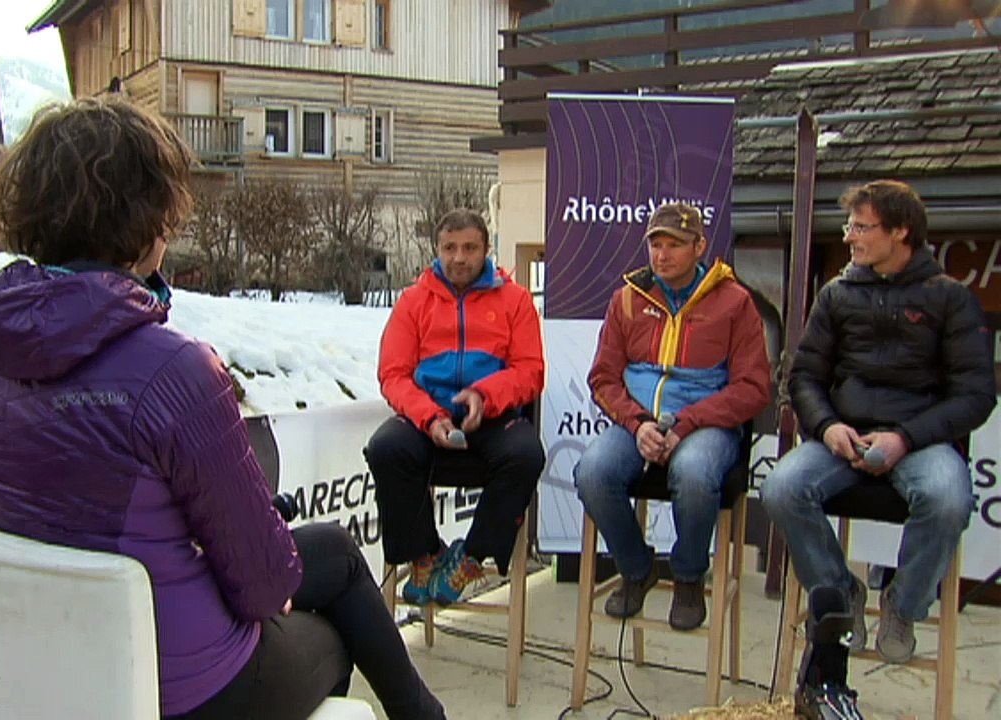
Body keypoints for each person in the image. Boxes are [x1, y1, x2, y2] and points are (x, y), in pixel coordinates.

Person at [0, 97, 444, 720]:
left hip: (41, 673)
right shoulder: (174, 372)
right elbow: (265, 586)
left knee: (331, 552)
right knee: (333, 628)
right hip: (180, 688)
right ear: (150, 220)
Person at [763, 180, 994, 714]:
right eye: (850, 227)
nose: (850, 237)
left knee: (948, 499)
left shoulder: (950, 299)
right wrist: (825, 427)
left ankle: (904, 605)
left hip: (920, 439)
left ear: (900, 232)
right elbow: (802, 378)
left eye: (861, 227)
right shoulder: (838, 294)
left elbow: (977, 395)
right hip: (843, 434)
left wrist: (905, 437)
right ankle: (841, 594)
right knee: (781, 487)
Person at [574, 202, 771, 630]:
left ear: (700, 246)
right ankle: (637, 568)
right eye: (656, 245)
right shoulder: (626, 299)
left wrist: (688, 423)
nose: (662, 255)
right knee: (592, 472)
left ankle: (687, 575)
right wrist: (637, 422)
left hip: (706, 423)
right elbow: (603, 377)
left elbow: (754, 388)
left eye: (675, 245)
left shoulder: (735, 302)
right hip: (638, 422)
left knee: (696, 474)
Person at [363, 208, 546, 607]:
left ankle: (471, 557)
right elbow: (393, 374)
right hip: (429, 415)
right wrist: (429, 416)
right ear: (436, 249)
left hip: (492, 417)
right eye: (449, 248)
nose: (459, 257)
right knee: (385, 448)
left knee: (527, 455)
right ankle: (426, 554)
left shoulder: (515, 300)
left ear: (486, 250)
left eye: (469, 248)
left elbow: (531, 372)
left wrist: (485, 395)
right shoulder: (413, 301)